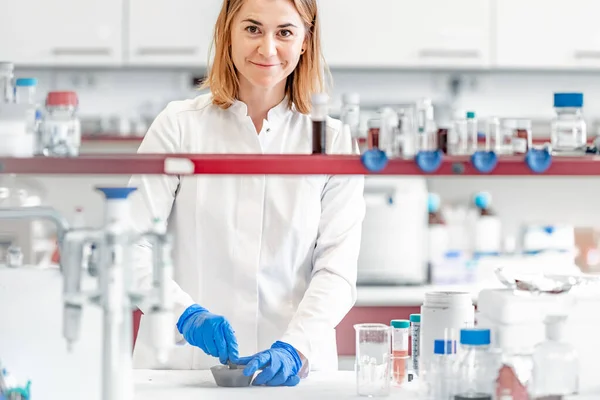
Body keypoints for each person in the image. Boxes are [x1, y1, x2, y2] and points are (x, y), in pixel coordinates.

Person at [129, 0, 366, 387]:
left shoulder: (333, 140)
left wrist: (296, 346)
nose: (267, 48)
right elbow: (130, 245)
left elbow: (337, 269)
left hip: (297, 373)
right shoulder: (178, 126)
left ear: (306, 40)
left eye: (285, 32)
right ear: (228, 31)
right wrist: (184, 313)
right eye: (253, 29)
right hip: (182, 371)